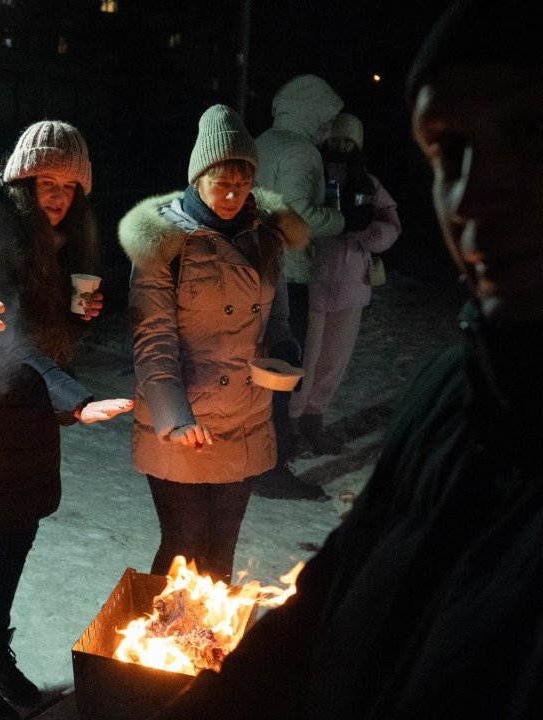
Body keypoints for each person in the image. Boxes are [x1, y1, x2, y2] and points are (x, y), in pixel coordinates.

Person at [153, 2, 543, 717]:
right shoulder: (451, 398)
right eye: (447, 151)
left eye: (526, 132)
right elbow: (318, 611)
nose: (469, 191)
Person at [0, 120, 132, 720]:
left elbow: (36, 320)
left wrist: (74, 310)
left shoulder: (45, 235)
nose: (59, 195)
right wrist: (73, 395)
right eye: (47, 180)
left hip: (26, 408)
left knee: (18, 536)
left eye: (71, 185)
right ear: (21, 178)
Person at [118, 104, 309, 584]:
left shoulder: (265, 236)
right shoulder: (164, 240)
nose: (230, 195)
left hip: (246, 417)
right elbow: (152, 337)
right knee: (183, 548)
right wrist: (174, 416)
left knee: (220, 555)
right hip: (184, 422)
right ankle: (152, 656)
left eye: (241, 185)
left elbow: (277, 316)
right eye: (220, 182)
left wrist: (284, 350)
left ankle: (207, 657)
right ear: (197, 177)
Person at [252, 73, 345, 500]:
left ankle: (252, 459)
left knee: (256, 371)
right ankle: (273, 466)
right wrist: (345, 219)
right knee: (285, 371)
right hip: (290, 273)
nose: (328, 128)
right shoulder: (301, 151)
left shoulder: (261, 141)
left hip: (254, 270)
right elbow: (299, 216)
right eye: (325, 118)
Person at [291, 111, 401, 456]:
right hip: (313, 279)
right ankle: (291, 425)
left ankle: (314, 421)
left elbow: (392, 224)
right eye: (335, 139)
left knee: (334, 360)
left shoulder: (368, 182)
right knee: (305, 358)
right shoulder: (310, 176)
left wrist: (366, 232)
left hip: (352, 283)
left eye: (348, 141)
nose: (341, 146)